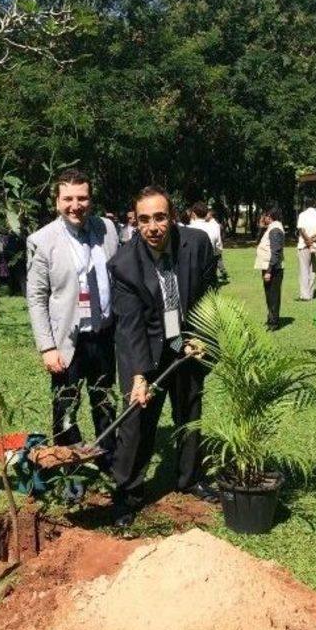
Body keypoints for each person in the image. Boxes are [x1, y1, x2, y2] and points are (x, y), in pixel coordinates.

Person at [108, 185, 218, 526]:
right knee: (136, 422)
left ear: (172, 217)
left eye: (159, 217)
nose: (152, 227)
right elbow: (130, 327)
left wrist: (200, 337)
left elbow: (207, 295)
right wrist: (139, 375)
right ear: (135, 221)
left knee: (190, 412)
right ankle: (128, 493)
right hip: (149, 347)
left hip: (187, 345)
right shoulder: (124, 264)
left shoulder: (196, 244)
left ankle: (191, 478)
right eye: (144, 220)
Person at [26, 169, 119, 470]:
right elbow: (37, 298)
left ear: (90, 200)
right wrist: (46, 347)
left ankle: (109, 464)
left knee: (105, 403)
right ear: (57, 202)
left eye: (82, 198)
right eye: (68, 198)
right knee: (65, 409)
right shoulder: (41, 241)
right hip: (67, 340)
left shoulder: (108, 229)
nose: (75, 205)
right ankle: (71, 474)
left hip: (104, 336)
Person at [255, 205, 285, 331]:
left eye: (265, 215)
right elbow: (259, 241)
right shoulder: (271, 228)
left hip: (273, 268)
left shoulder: (275, 230)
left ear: (270, 216)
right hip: (269, 266)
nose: (263, 217)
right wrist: (262, 227)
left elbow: (276, 252)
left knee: (273, 296)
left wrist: (269, 271)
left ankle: (274, 322)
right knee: (269, 295)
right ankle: (271, 318)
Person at [296, 199, 316, 300]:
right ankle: (310, 293)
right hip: (315, 246)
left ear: (305, 205)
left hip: (303, 245)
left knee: (304, 269)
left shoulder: (302, 215)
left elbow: (301, 229)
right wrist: (312, 240)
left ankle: (305, 295)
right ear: (315, 205)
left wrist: (307, 241)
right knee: (313, 270)